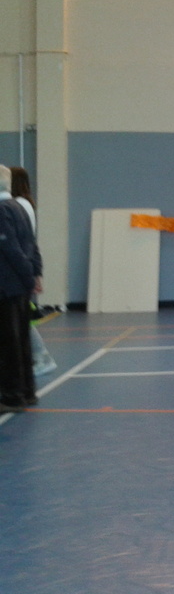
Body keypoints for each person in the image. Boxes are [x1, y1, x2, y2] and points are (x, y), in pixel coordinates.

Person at [0, 164, 42, 414]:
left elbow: (11, 249)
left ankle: (12, 395)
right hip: (19, 286)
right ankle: (27, 390)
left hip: (7, 285)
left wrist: (27, 275)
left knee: (8, 343)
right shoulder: (19, 207)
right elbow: (32, 245)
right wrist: (35, 273)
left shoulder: (2, 210)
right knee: (22, 340)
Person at [10, 167, 58, 377]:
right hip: (22, 266)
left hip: (17, 269)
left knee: (19, 317)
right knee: (18, 317)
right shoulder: (23, 205)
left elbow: (23, 241)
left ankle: (40, 356)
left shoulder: (18, 206)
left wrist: (33, 272)